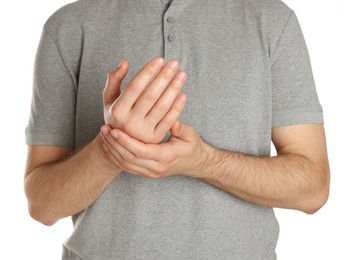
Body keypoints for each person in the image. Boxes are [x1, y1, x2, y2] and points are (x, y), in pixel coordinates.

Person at [24, 0, 330, 259]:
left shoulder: (273, 20)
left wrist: (205, 163)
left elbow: (312, 190)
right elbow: (42, 206)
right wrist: (112, 149)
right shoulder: (68, 26)